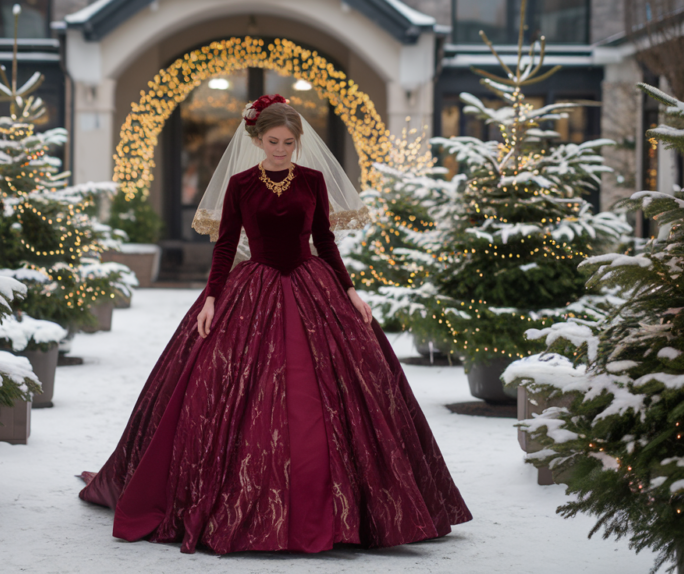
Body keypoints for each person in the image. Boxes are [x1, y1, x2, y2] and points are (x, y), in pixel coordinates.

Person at [78, 95, 472, 555]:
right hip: (254, 288)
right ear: (257, 139)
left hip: (313, 285)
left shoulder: (313, 180)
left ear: (298, 141)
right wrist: (210, 299)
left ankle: (349, 512)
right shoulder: (242, 184)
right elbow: (225, 246)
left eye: (288, 141)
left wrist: (348, 291)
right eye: (273, 141)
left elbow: (325, 240)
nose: (281, 149)